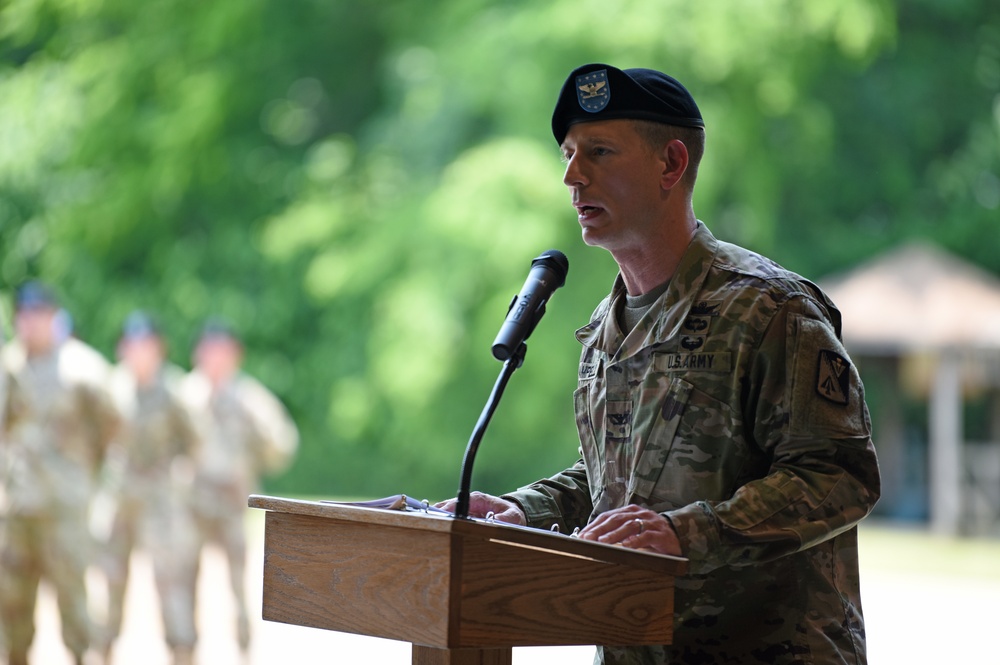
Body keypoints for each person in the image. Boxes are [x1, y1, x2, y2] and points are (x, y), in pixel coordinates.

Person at [437, 64, 881, 665]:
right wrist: (525, 511)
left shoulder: (769, 309)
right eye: (568, 154)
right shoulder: (603, 329)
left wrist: (685, 534)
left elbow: (839, 475)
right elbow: (617, 483)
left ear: (671, 164)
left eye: (599, 152)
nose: (572, 176)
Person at [0, 281, 121, 665]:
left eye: (38, 315)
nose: (29, 323)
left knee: (73, 605)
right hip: (18, 509)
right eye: (23, 315)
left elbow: (113, 425)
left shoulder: (82, 368)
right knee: (13, 608)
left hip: (64, 507)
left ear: (53, 317)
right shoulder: (8, 366)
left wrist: (84, 469)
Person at [179, 319, 299, 654]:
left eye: (223, 351)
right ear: (198, 353)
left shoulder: (249, 397)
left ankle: (244, 648)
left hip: (232, 500)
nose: (216, 358)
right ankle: (184, 651)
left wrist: (255, 453)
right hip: (192, 501)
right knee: (185, 576)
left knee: (238, 581)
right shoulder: (186, 395)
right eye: (210, 350)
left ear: (235, 355)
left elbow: (282, 442)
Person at [96, 311, 201, 665]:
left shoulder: (175, 391)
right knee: (111, 579)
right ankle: (105, 648)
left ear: (159, 348)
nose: (139, 352)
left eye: (146, 345)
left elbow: (196, 442)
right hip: (120, 496)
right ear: (123, 349)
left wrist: (179, 477)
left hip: (161, 500)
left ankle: (181, 651)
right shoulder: (111, 387)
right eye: (132, 345)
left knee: (170, 581)